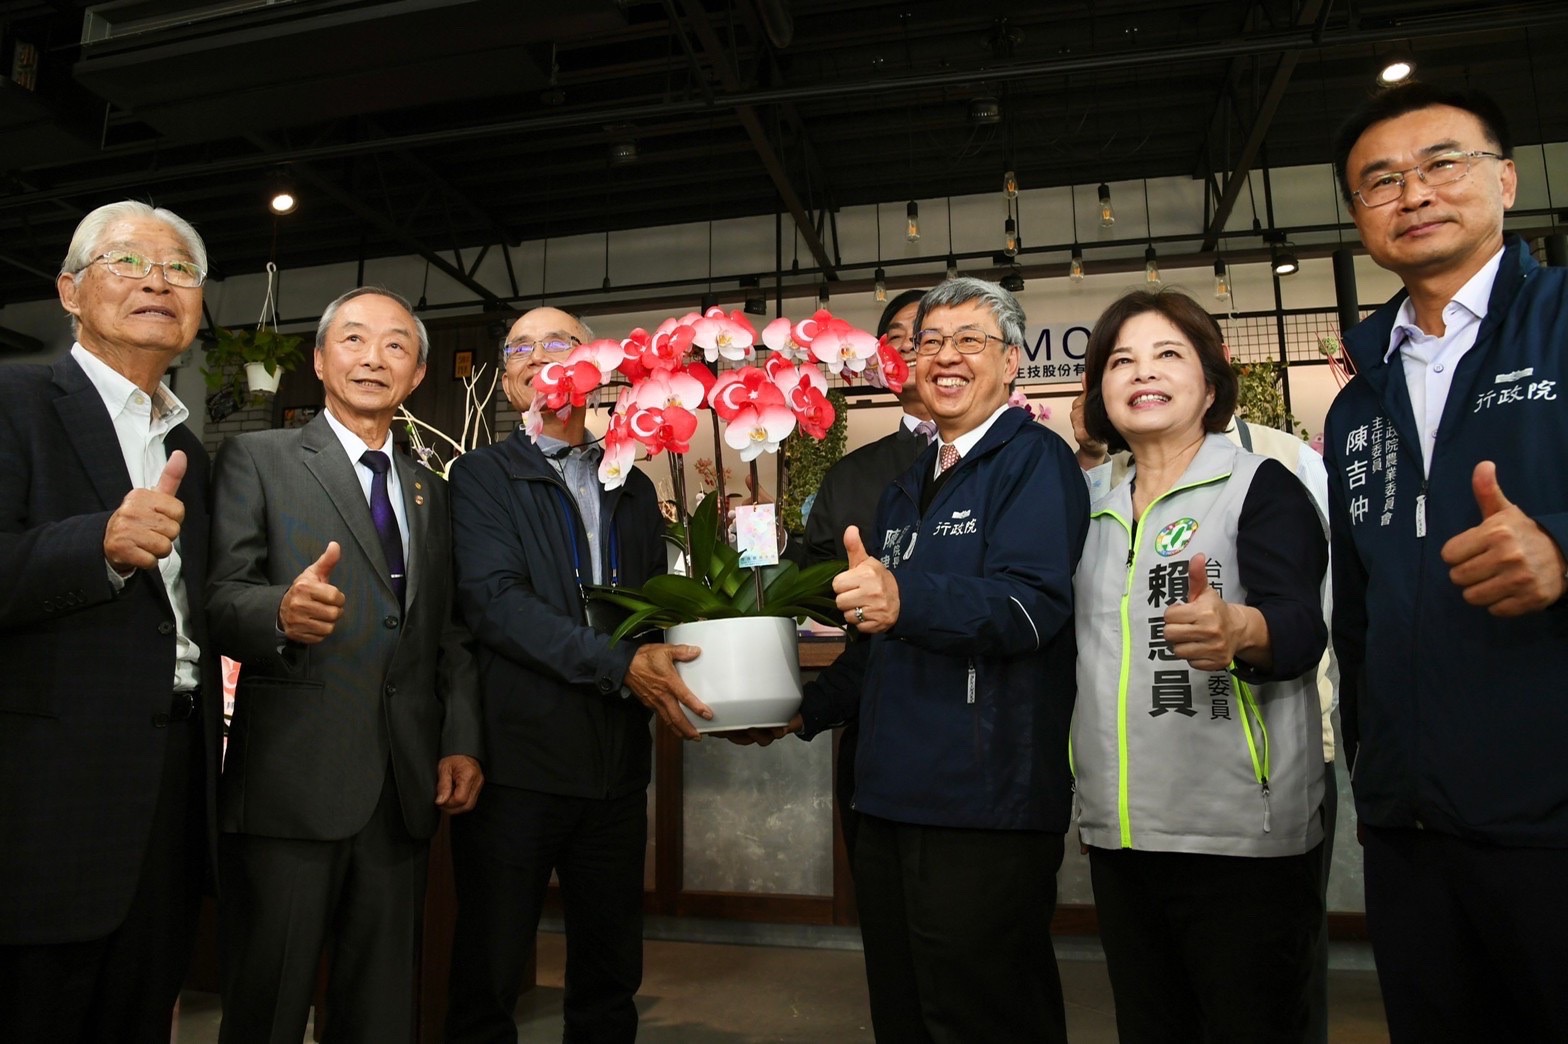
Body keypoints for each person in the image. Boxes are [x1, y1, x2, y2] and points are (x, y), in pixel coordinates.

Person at [1325, 81, 1568, 1040]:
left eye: (1442, 164)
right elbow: (1360, 604)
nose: (1414, 192)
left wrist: (1562, 546)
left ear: (1505, 181)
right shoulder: (1360, 395)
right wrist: (1375, 774)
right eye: (1381, 180)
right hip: (1410, 827)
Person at [797, 277, 1087, 1042]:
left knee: (982, 1015)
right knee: (903, 1011)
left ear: (1011, 363)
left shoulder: (1036, 462)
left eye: (969, 340)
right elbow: (880, 646)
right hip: (889, 797)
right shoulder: (904, 488)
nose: (945, 356)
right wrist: (798, 711)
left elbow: (1031, 607)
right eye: (929, 342)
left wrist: (907, 598)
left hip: (982, 803)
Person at [208, 286, 483, 1044]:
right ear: (320, 361)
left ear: (417, 374)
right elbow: (220, 597)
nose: (373, 358)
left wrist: (460, 740)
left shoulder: (429, 489)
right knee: (268, 1005)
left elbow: (448, 632)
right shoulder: (258, 459)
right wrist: (278, 612)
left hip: (402, 788)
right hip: (292, 786)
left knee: (381, 1013)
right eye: (354, 339)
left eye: (396, 345)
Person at [443, 306, 712, 1043]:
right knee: (489, 974)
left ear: (596, 364)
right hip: (517, 766)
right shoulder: (481, 476)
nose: (539, 357)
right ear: (506, 379)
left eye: (558, 342)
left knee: (609, 978)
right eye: (520, 348)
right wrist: (620, 663)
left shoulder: (632, 482)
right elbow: (495, 603)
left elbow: (652, 609)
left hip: (616, 770)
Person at [1073, 287, 1327, 1041]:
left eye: (1168, 355)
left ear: (1210, 386)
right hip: (1120, 830)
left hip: (1237, 834)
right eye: (1121, 360)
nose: (1143, 372)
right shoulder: (1085, 505)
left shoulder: (1260, 486)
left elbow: (1302, 626)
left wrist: (1242, 628)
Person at [0, 201, 219, 1043]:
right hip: (48, 797)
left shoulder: (190, 450)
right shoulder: (15, 400)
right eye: (127, 262)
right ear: (70, 291)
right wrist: (93, 543)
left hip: (172, 783)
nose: (158, 282)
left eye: (180, 270)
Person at [796, 287, 931, 857]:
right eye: (895, 339)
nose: (910, 348)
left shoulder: (1021, 461)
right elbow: (811, 583)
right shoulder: (850, 475)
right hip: (875, 727)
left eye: (924, 335)